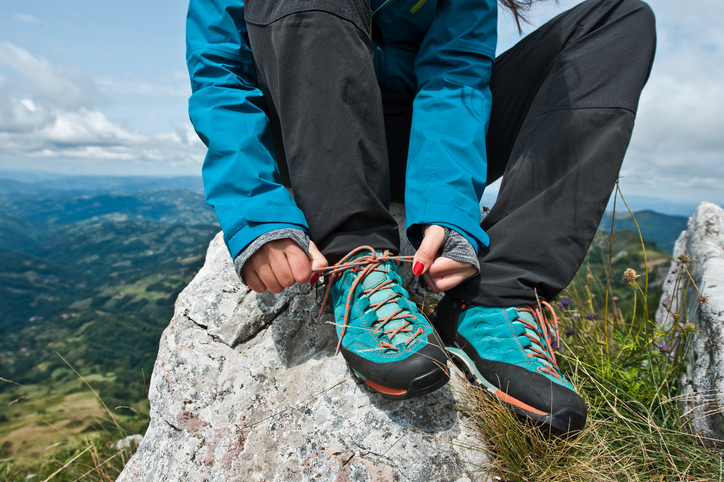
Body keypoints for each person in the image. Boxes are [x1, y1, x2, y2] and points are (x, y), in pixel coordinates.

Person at [186, 0, 656, 435]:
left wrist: (448, 210)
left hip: (418, 137)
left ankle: (498, 295)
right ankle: (356, 258)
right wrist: (256, 210)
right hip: (311, 121)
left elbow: (456, 73)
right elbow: (220, 69)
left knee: (619, 21)